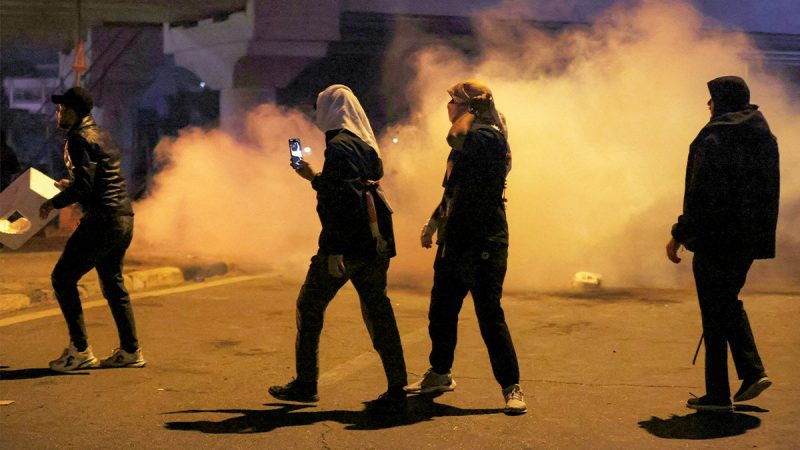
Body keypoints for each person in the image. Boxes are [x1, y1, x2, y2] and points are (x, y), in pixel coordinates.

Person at [268, 84, 408, 412]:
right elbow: (348, 187)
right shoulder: (365, 145)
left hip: (347, 243)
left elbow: (338, 202)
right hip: (375, 240)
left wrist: (332, 251)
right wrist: (314, 177)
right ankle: (397, 385)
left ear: (331, 110)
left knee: (309, 305)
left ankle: (306, 384)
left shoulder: (339, 146)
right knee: (378, 311)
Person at [405, 80, 526, 415]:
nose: (448, 107)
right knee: (441, 311)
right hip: (456, 240)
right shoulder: (471, 138)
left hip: (483, 241)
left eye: (453, 101)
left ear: (469, 106)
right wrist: (434, 223)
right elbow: (454, 190)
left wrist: (471, 111)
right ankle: (440, 373)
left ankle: (511, 386)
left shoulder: (485, 136)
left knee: (489, 315)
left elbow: (454, 136)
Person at [667, 76, 778, 412]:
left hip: (715, 240)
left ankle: (720, 394)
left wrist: (679, 234)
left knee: (714, 313)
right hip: (746, 241)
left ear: (723, 100)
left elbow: (700, 195)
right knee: (725, 304)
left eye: (712, 98)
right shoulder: (763, 136)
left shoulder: (715, 137)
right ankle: (750, 373)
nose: (708, 104)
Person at [39, 86, 145, 371]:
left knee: (62, 278)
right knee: (113, 283)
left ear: (74, 112)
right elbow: (98, 180)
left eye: (62, 109)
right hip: (123, 217)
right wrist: (72, 186)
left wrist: (53, 203)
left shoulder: (78, 138)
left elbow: (86, 186)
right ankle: (131, 351)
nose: (58, 113)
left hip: (102, 220)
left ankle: (80, 351)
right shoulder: (102, 134)